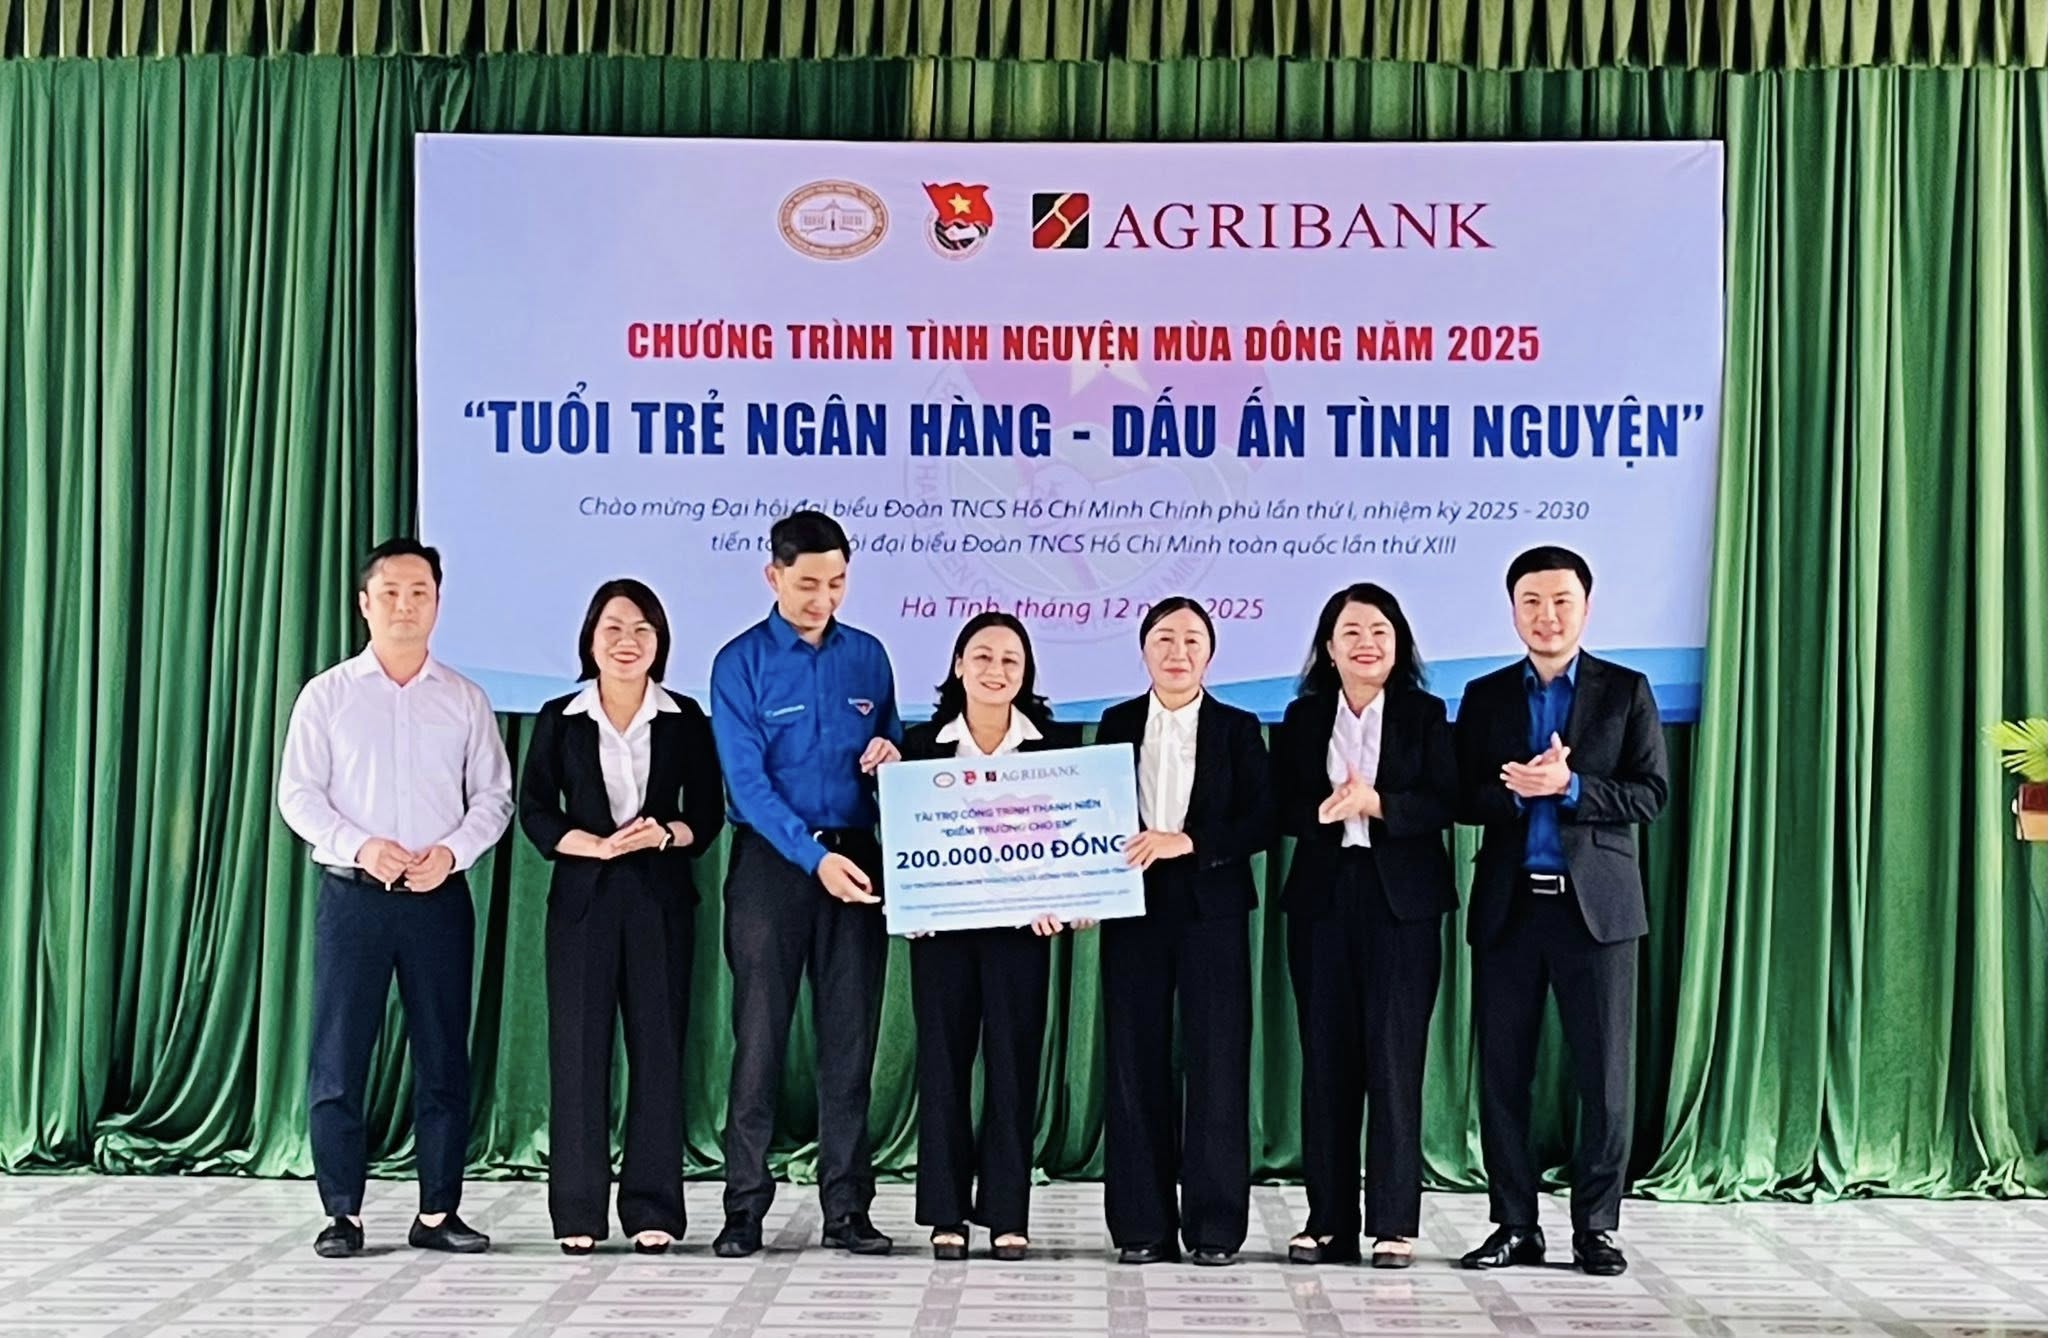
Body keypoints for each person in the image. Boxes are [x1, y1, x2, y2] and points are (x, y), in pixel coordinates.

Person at [277, 538, 513, 1259]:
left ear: (438, 604)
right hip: (354, 897)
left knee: (443, 1058)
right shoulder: (327, 695)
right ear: (364, 604)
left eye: (420, 593)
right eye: (391, 593)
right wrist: (360, 846)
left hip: (439, 899)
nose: (405, 606)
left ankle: (438, 1211)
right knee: (339, 1057)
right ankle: (341, 1213)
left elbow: (494, 798)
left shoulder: (466, 699)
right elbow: (298, 796)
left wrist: (452, 854)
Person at [1453, 546, 1669, 1277]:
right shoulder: (1485, 696)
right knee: (1502, 1076)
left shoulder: (1625, 690)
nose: (1546, 616)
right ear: (1513, 610)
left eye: (1561, 601)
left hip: (1598, 914)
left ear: (1586, 607)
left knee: (1604, 1079)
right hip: (1510, 909)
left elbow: (1650, 794)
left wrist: (1570, 787)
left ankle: (1596, 1227)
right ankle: (1514, 1224)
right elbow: (1461, 796)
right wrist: (1516, 794)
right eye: (1532, 602)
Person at [708, 510, 903, 1258]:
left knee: (849, 1044)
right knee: (759, 1039)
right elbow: (747, 784)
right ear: (774, 576)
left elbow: (890, 752)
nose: (824, 599)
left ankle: (847, 1208)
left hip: (858, 860)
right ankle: (744, 1207)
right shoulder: (739, 663)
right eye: (808, 584)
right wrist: (810, 857)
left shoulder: (869, 657)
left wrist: (890, 759)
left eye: (838, 583)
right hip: (772, 864)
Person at [518, 579, 725, 1255]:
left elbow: (707, 816)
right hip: (582, 904)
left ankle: (653, 1208)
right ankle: (578, 1211)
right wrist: (592, 845)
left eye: (642, 629)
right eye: (613, 628)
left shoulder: (685, 717)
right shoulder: (560, 716)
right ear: (590, 639)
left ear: (660, 642)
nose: (627, 641)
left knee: (658, 1053)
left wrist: (664, 834)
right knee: (578, 1055)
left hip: (661, 903)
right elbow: (535, 810)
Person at [1274, 584, 1458, 1268]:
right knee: (1325, 1064)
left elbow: (1445, 802)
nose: (1366, 643)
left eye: (1379, 631)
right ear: (1329, 648)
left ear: (1398, 643)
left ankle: (1393, 1224)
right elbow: (1279, 804)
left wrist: (1376, 803)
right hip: (1323, 902)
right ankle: (1327, 1222)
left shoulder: (1425, 714)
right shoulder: (1303, 717)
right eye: (1350, 632)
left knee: (1394, 1061)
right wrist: (1321, 810)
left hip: (1402, 906)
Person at [899, 613, 1086, 1263]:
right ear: (957, 666)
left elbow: (1072, 839)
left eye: (1011, 660)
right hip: (941, 932)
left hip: (1019, 933)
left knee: (1013, 1068)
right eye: (982, 656)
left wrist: (1068, 900)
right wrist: (911, 899)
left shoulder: (1052, 748)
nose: (995, 670)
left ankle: (1008, 1213)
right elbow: (900, 836)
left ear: (1026, 673)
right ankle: (945, 1214)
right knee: (942, 1067)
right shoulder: (920, 747)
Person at [1093, 597, 1274, 1267]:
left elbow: (1262, 819)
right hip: (1132, 907)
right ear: (1143, 649)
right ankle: (1141, 1225)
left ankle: (1215, 1227)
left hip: (1212, 908)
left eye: (1192, 639)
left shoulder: (1237, 727)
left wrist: (1189, 841)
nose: (1178, 651)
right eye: (1164, 639)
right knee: (1133, 1062)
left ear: (1211, 653)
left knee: (1218, 1065)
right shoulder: (1115, 723)